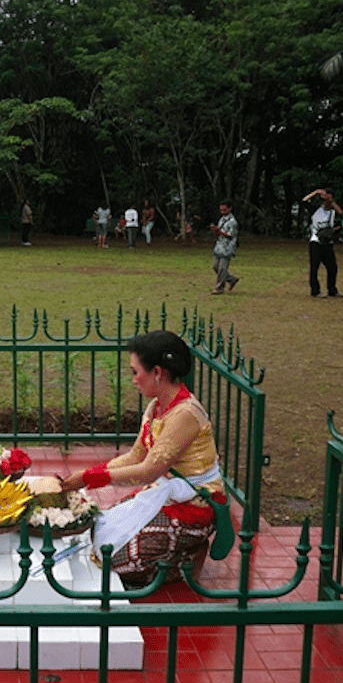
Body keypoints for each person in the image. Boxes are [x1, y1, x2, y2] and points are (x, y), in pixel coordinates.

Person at [59, 330, 225, 586]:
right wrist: (89, 475)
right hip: (167, 492)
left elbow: (148, 471)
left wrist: (89, 477)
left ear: (157, 372)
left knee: (121, 561)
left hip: (197, 504)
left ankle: (187, 559)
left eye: (136, 372)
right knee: (99, 529)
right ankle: (175, 550)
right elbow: (135, 457)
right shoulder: (156, 406)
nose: (133, 379)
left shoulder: (185, 414)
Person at [303, 187, 343, 298]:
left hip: (327, 242)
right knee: (314, 268)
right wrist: (315, 192)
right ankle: (315, 291)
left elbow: (340, 213)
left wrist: (331, 201)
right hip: (316, 242)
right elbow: (304, 201)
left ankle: (332, 290)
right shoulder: (316, 209)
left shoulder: (333, 211)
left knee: (332, 267)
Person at [209, 200, 239, 295]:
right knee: (216, 267)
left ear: (230, 209)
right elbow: (219, 233)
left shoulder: (233, 222)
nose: (222, 211)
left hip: (227, 247)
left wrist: (220, 231)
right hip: (219, 246)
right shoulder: (222, 219)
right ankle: (231, 279)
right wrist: (215, 231)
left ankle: (220, 288)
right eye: (221, 210)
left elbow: (230, 235)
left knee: (222, 268)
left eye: (224, 209)